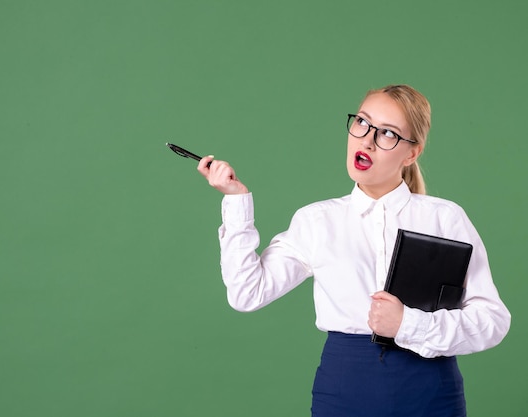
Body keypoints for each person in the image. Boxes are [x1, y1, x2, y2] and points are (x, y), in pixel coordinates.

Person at [196, 84, 511, 417]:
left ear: (411, 153)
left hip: (431, 392)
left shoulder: (443, 218)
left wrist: (408, 324)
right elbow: (247, 293)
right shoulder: (317, 221)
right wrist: (235, 200)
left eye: (387, 133)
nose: (367, 140)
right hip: (345, 391)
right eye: (362, 122)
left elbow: (493, 320)